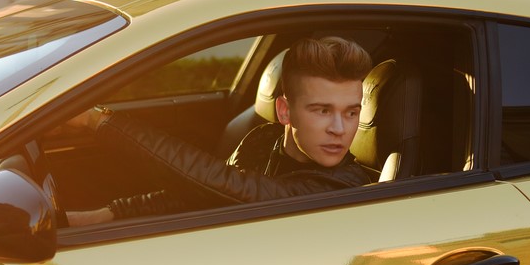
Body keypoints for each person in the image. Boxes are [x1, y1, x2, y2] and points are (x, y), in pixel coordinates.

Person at [66, 36, 375, 226]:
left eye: (351, 112)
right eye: (323, 111)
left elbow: (222, 184)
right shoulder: (262, 140)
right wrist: (103, 216)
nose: (339, 129)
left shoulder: (344, 188)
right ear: (284, 111)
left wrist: (97, 121)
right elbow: (203, 194)